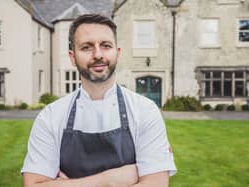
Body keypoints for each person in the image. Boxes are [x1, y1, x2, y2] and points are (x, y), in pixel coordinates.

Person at [21, 14, 176, 187]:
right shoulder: (50, 116)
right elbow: (32, 185)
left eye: (106, 45)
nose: (98, 54)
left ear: (117, 53)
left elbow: (157, 183)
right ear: (72, 57)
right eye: (87, 47)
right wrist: (109, 180)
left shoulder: (145, 111)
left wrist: (67, 184)